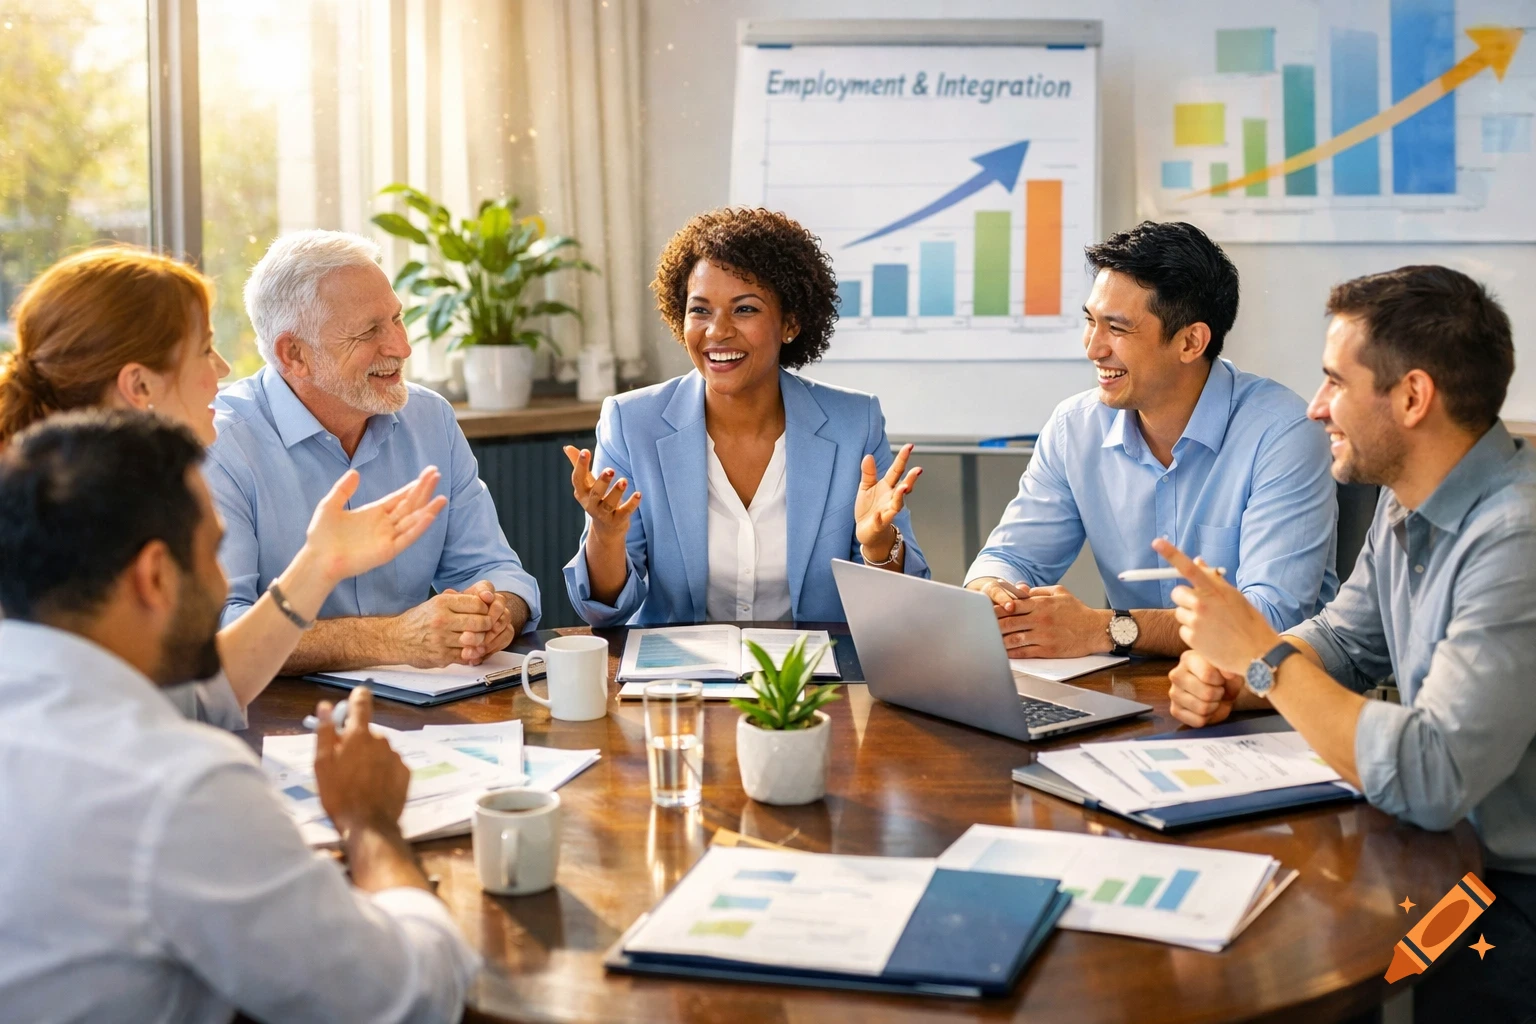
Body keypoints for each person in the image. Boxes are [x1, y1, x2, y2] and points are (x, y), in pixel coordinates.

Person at [0, 410, 478, 1022]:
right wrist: (370, 824)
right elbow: (409, 997)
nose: (225, 580)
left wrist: (319, 565)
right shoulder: (178, 788)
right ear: (153, 577)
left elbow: (211, 687)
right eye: (213, 552)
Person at [1161, 266, 1535, 1023]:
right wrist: (1241, 675)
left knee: (1315, 979)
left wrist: (1263, 657)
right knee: (1269, 953)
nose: (1315, 407)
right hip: (1448, 860)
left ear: (1412, 398)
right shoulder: (1410, 503)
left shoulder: (1515, 538)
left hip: (1508, 893)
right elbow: (1344, 637)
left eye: (1335, 381)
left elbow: (1433, 772)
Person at [0, 245, 446, 726]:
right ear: (139, 386)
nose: (223, 369)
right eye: (204, 349)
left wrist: (321, 563)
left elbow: (203, 693)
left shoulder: (105, 493)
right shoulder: (59, 532)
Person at [964, 220, 1338, 659]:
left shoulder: (1283, 433)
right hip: (1130, 694)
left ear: (1190, 342)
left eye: (1117, 329)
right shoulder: (1075, 427)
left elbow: (1270, 619)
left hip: (1260, 699)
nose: (1093, 348)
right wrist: (995, 591)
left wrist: (1107, 629)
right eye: (1091, 322)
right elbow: (1012, 558)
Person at [562, 207, 928, 626]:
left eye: (745, 309)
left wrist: (877, 546)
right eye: (700, 310)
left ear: (790, 322)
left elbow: (898, 607)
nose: (717, 331)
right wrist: (607, 537)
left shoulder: (854, 424)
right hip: (679, 681)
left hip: (812, 680)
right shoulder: (632, 423)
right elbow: (606, 611)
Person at [208, 229, 541, 674]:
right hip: (279, 716)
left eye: (397, 319)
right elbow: (224, 631)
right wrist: (391, 639)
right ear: (294, 355)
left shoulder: (430, 419)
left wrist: (495, 612)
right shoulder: (220, 444)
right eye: (369, 331)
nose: (401, 348)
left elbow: (495, 569)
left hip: (423, 708)